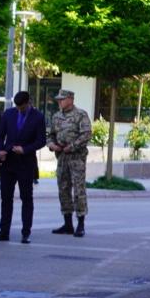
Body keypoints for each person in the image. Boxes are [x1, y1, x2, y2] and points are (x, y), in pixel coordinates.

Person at [0, 90, 46, 243]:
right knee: (6, 198)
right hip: (9, 161)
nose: (19, 110)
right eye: (17, 107)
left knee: (26, 198)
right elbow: (0, 135)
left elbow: (41, 140)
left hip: (26, 163)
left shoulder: (38, 117)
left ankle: (26, 232)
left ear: (28, 103)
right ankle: (4, 231)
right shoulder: (8, 114)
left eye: (22, 107)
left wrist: (26, 149)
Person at [48, 89, 91, 237]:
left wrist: (71, 147)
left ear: (71, 99)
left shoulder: (81, 115)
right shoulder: (56, 116)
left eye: (62, 99)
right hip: (62, 158)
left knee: (79, 190)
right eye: (58, 99)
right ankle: (67, 224)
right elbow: (51, 134)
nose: (59, 102)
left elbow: (86, 134)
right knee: (63, 189)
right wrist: (52, 145)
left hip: (76, 157)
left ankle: (81, 223)